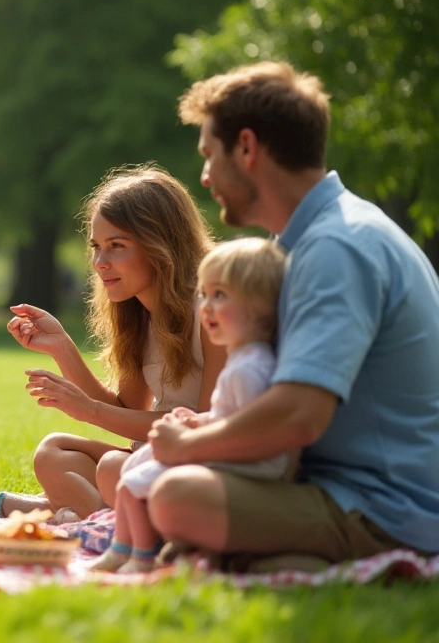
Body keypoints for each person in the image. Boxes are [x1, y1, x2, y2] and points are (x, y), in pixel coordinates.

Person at [146, 61, 439, 567]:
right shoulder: (312, 241)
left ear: (247, 147)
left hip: (382, 508)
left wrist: (189, 448)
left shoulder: (337, 248)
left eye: (209, 155)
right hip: (330, 484)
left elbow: (299, 414)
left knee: (176, 496)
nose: (205, 176)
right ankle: (255, 556)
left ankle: (334, 559)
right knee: (138, 477)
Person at [0, 166, 227, 520]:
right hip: (148, 460)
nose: (100, 263)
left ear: (160, 246)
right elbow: (125, 409)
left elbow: (205, 424)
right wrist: (62, 348)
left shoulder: (211, 314)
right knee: (53, 451)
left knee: (115, 468)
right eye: (96, 247)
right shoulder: (140, 317)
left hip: (197, 465)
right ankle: (98, 513)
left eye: (116, 246)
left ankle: (73, 513)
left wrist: (88, 411)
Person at [90, 237, 289, 573]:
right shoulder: (245, 360)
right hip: (222, 448)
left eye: (220, 296)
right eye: (205, 295)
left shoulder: (250, 368)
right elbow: (231, 416)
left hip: (242, 465)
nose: (207, 307)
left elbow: (248, 428)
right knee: (135, 463)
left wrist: (199, 430)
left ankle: (138, 555)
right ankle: (125, 547)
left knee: (133, 481)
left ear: (259, 307)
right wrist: (198, 420)